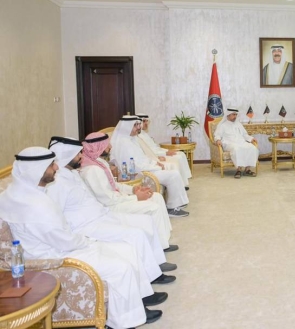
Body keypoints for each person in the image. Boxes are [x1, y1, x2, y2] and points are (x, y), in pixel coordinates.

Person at [0, 147, 162, 329]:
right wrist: (86, 241)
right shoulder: (34, 205)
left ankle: (138, 304)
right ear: (35, 170)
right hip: (54, 258)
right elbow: (63, 240)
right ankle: (125, 322)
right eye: (51, 165)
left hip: (61, 246)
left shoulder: (18, 194)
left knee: (126, 250)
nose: (57, 167)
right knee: (121, 268)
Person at [47, 136, 176, 285]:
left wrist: (132, 190)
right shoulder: (66, 180)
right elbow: (104, 199)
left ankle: (156, 265)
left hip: (101, 214)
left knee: (145, 221)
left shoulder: (73, 173)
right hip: (90, 223)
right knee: (136, 233)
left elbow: (111, 187)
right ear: (67, 155)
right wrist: (134, 197)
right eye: (77, 154)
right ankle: (152, 276)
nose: (81, 156)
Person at [80, 132, 177, 251]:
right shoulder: (92, 170)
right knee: (153, 208)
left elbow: (113, 184)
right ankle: (160, 248)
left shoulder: (100, 162)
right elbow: (108, 200)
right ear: (98, 146)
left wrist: (133, 189)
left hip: (117, 199)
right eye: (106, 144)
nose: (110, 146)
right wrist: (136, 197)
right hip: (110, 208)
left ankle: (164, 241)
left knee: (157, 197)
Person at [110, 115, 189, 217]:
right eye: (135, 125)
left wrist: (155, 163)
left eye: (138, 124)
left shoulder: (131, 139)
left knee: (174, 173)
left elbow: (143, 158)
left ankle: (177, 203)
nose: (139, 127)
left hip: (147, 169)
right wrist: (155, 166)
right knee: (173, 175)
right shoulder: (123, 144)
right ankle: (172, 208)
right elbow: (133, 167)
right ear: (126, 127)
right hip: (139, 174)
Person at [136, 113, 192, 188]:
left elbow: (155, 147)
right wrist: (165, 153)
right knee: (178, 157)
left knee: (181, 154)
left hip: (158, 153)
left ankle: (183, 181)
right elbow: (150, 152)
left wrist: (167, 150)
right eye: (144, 121)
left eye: (147, 121)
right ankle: (180, 184)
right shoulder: (139, 136)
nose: (146, 123)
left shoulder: (144, 134)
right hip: (157, 155)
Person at [213, 107, 259, 178]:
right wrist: (218, 140)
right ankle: (238, 170)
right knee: (236, 149)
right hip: (229, 143)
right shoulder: (223, 125)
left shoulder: (238, 124)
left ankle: (247, 170)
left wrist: (251, 138)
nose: (235, 116)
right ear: (228, 115)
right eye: (233, 114)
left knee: (252, 148)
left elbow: (245, 134)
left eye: (236, 115)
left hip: (241, 142)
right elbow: (217, 135)